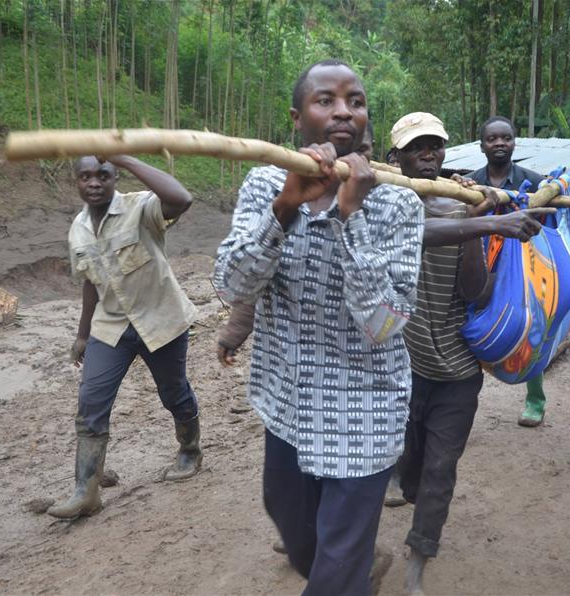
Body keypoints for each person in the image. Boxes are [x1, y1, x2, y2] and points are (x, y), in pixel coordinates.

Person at [214, 59, 424, 595]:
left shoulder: (399, 203)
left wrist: (351, 219)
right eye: (325, 100)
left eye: (355, 101)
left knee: (332, 568)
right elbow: (233, 285)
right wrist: (286, 207)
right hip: (289, 403)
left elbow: (384, 324)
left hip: (365, 412)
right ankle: (356, 574)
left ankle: (347, 576)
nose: (343, 112)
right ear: (297, 117)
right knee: (291, 523)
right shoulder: (265, 184)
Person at [388, 112, 545, 593]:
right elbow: (413, 235)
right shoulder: (386, 204)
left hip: (456, 370)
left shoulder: (462, 203)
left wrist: (477, 223)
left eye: (436, 145)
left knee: (441, 468)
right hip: (403, 366)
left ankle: (419, 557)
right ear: (396, 158)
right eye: (418, 148)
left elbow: (475, 293)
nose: (429, 154)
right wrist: (484, 221)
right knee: (409, 468)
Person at [48, 155, 201, 519]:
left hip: (161, 319)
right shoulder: (78, 229)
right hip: (111, 326)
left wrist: (124, 157)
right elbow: (90, 281)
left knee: (173, 392)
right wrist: (82, 335)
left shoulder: (140, 207)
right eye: (85, 176)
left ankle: (190, 451)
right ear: (77, 183)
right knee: (91, 401)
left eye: (103, 174)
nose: (94, 182)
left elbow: (182, 199)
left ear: (115, 177)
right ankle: (86, 491)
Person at [215, 122, 377, 366]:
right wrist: (235, 329)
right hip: (286, 371)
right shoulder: (272, 188)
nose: (348, 162)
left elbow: (386, 316)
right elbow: (251, 278)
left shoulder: (386, 203)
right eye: (339, 152)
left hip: (358, 368)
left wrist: (353, 217)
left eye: (359, 151)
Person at [466, 116, 548, 427]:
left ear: (515, 142)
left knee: (530, 328)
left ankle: (535, 399)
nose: (500, 143)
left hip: (523, 266)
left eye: (506, 138)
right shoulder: (469, 182)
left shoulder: (535, 181)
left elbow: (546, 225)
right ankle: (466, 405)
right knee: (471, 331)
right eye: (492, 139)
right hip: (480, 266)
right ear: (482, 145)